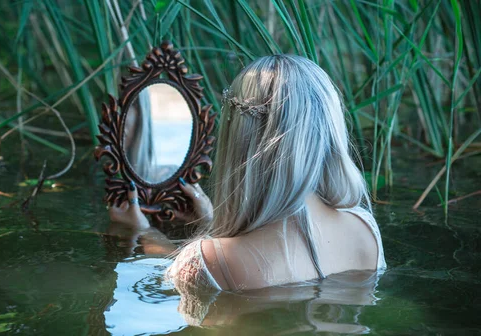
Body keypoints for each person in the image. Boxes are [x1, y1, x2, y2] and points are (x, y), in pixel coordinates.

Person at [108, 54, 386, 294]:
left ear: (239, 138)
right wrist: (210, 222)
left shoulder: (210, 259)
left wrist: (143, 231)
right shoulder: (365, 230)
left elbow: (182, 281)